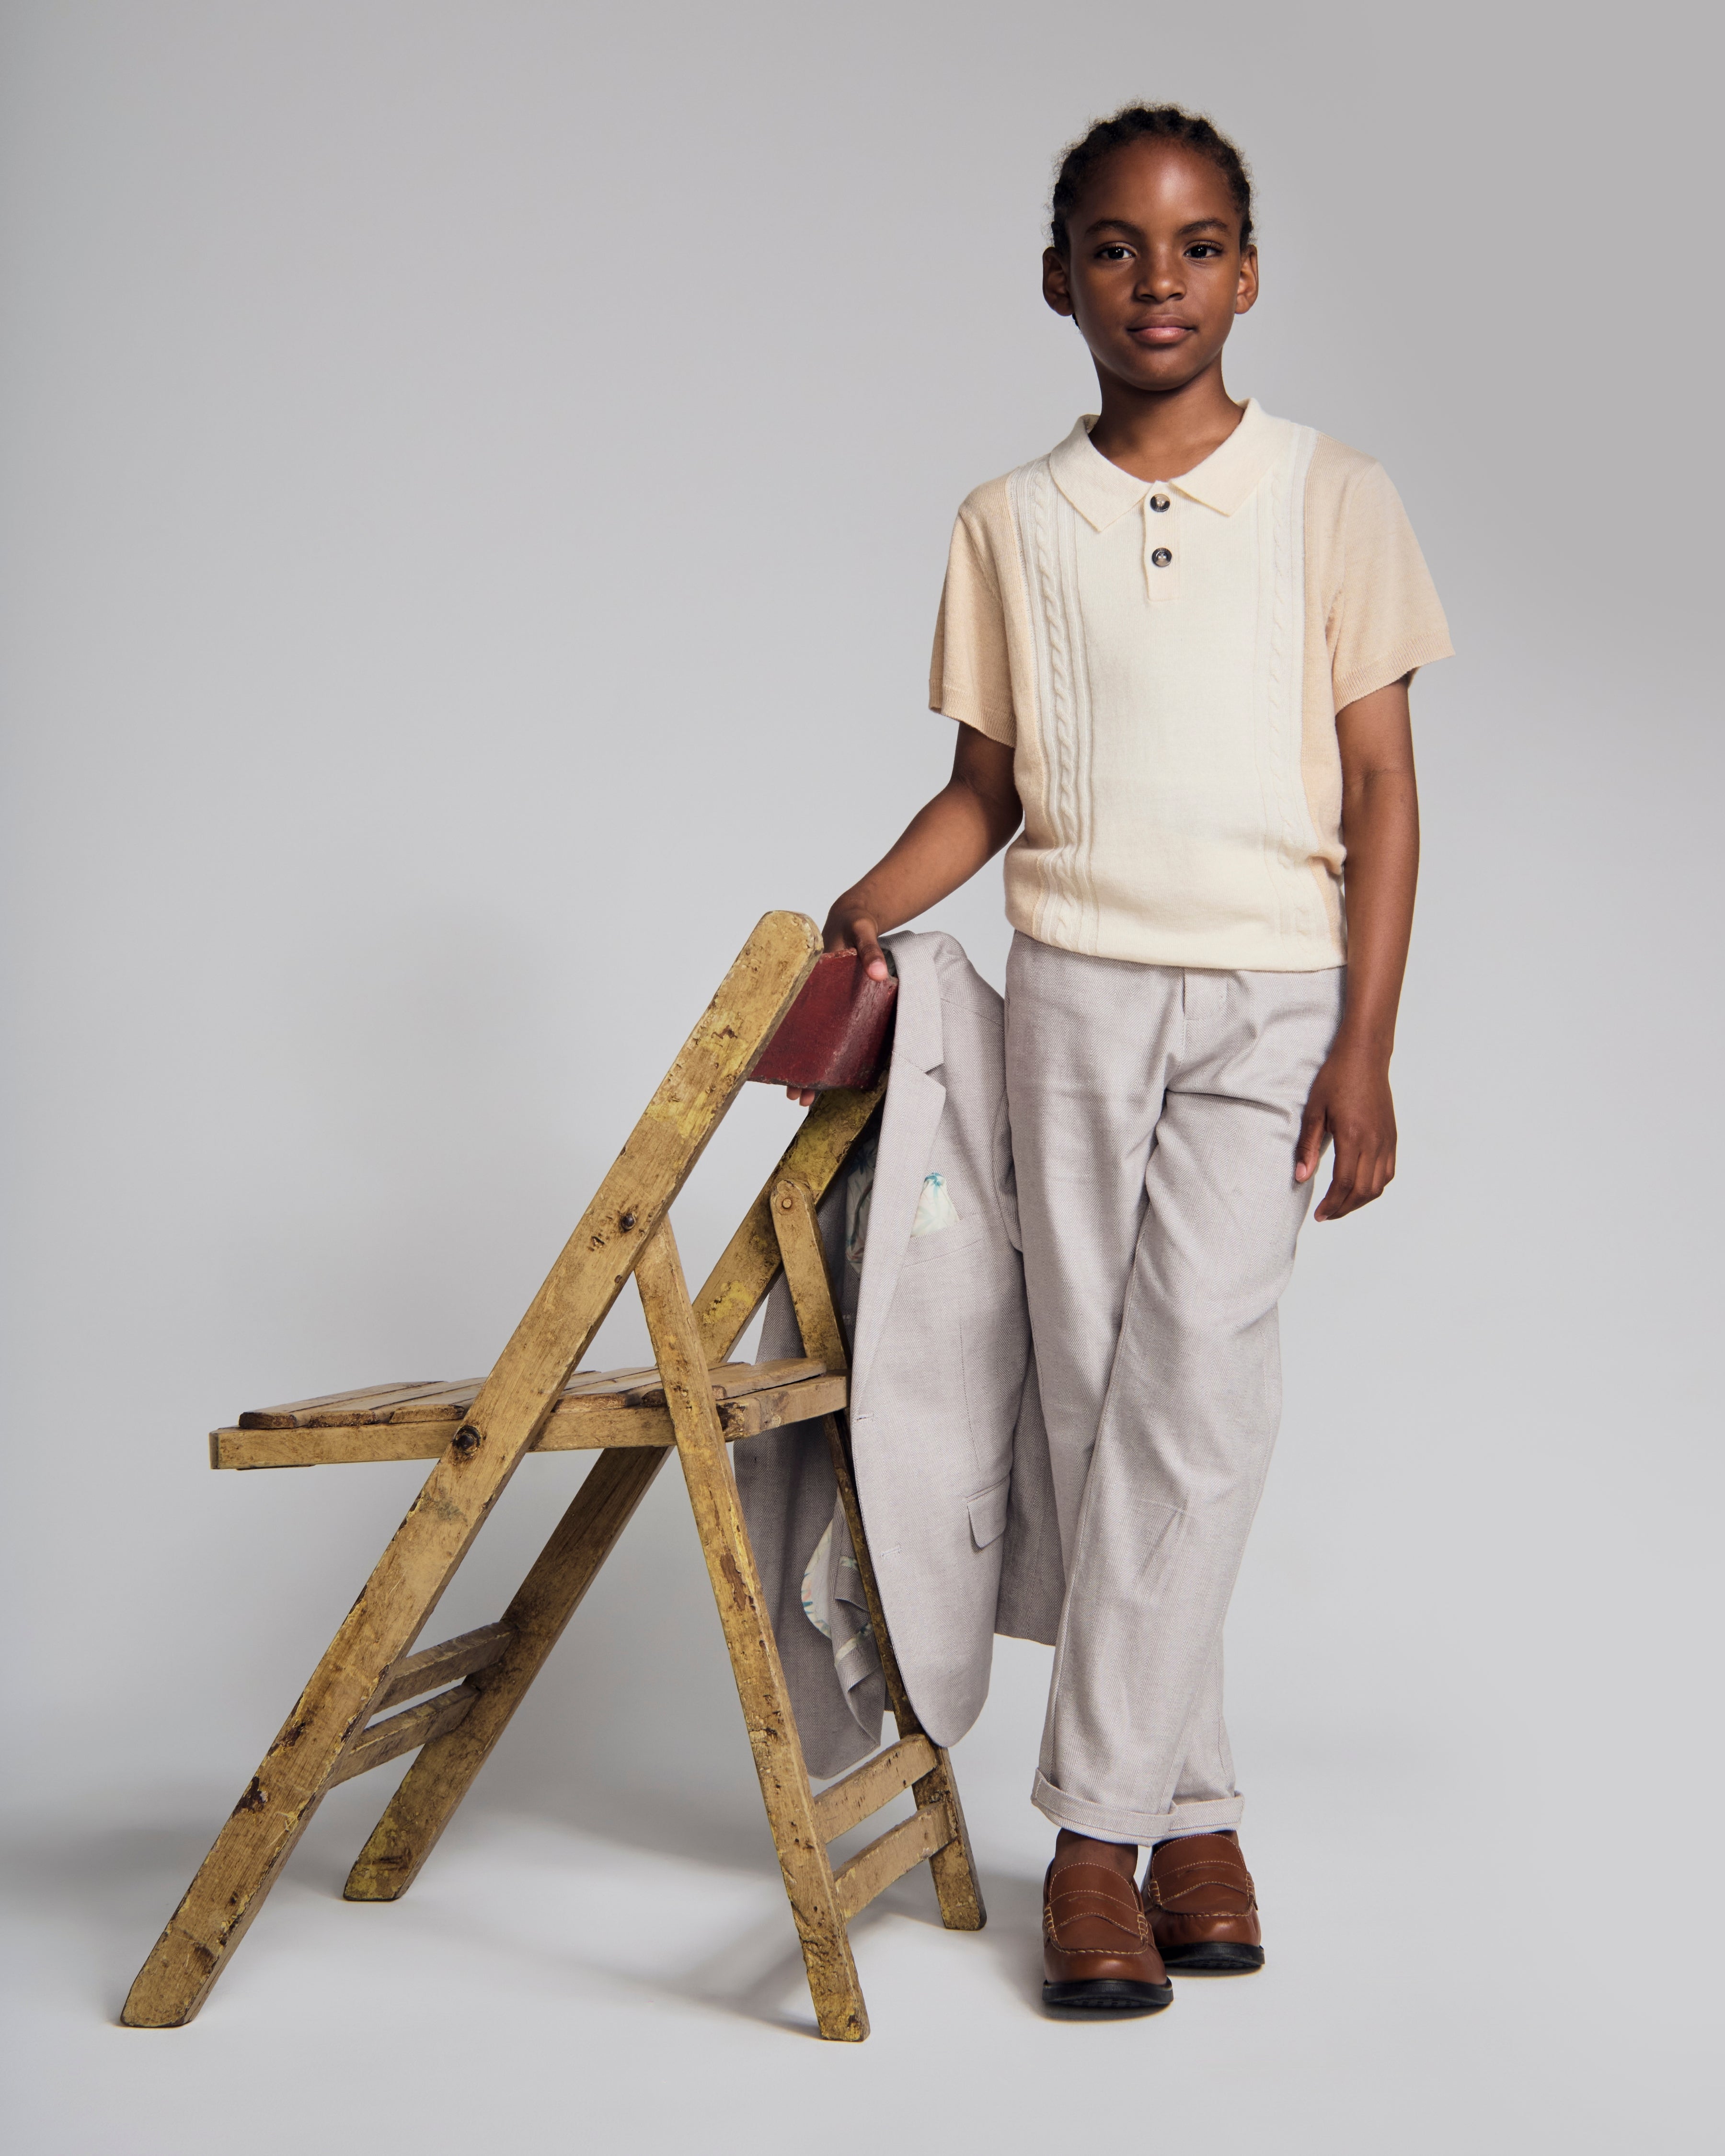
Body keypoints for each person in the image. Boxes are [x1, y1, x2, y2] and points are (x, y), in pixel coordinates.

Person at [793, 103, 1452, 2017]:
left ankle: (1088, 1842)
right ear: (1060, 276)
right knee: (1094, 1409)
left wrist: (1371, 1048)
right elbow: (987, 792)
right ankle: (1202, 1814)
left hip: (1271, 1003)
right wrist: (849, 911)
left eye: (1195, 244)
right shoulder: (1009, 524)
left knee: (1197, 1401)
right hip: (1075, 994)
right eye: (1112, 246)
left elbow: (1389, 786)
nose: (1155, 280)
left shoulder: (1339, 497)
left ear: (1250, 271)